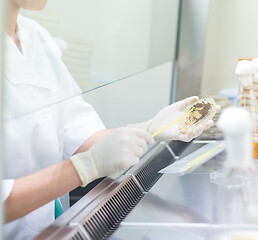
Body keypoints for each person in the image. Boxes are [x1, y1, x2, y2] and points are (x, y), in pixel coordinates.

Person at [2, 0, 215, 239]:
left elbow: (78, 135)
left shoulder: (36, 38)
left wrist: (150, 128)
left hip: (50, 230)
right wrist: (85, 167)